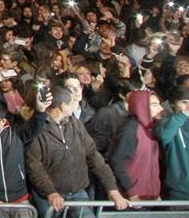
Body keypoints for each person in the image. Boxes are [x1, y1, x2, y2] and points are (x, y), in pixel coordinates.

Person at [25, 85, 130, 218]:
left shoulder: (76, 124)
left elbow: (94, 156)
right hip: (47, 197)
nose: (77, 105)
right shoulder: (37, 130)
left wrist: (112, 188)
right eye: (74, 102)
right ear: (63, 106)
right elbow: (34, 166)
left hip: (78, 193)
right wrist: (50, 192)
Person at [108, 89, 164, 202]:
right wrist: (131, 191)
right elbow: (116, 161)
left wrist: (155, 192)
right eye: (154, 105)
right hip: (132, 200)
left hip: (149, 198)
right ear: (141, 106)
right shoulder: (130, 129)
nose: (161, 108)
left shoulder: (150, 128)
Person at [154, 84, 189, 200]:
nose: (188, 106)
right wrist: (182, 115)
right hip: (179, 192)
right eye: (184, 102)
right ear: (173, 104)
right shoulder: (166, 123)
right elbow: (163, 135)